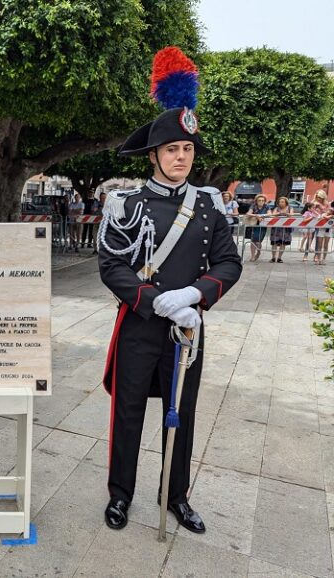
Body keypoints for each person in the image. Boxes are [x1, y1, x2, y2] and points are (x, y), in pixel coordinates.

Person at [98, 46, 242, 534]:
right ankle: (121, 495)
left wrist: (195, 296)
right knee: (128, 414)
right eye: (172, 150)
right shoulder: (126, 202)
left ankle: (176, 495)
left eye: (187, 150)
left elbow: (229, 261)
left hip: (187, 330)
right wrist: (149, 299)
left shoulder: (209, 206)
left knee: (181, 417)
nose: (181, 158)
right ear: (155, 155)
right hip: (139, 326)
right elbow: (111, 263)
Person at [245, 194, 270, 262]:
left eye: (262, 200)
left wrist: (262, 216)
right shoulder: (253, 206)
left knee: (258, 242)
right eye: (259, 200)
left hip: (262, 226)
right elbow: (248, 213)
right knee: (253, 241)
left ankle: (258, 252)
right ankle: (252, 256)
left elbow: (269, 214)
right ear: (256, 201)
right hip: (254, 225)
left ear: (264, 201)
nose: (261, 201)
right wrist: (256, 215)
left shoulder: (266, 206)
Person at [269, 196, 292, 263]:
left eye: (282, 202)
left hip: (285, 229)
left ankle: (279, 258)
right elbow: (273, 215)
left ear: (286, 203)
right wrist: (279, 213)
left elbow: (291, 215)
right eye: (279, 202)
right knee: (274, 243)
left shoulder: (290, 208)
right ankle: (273, 257)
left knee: (283, 243)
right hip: (276, 228)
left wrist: (286, 213)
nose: (281, 203)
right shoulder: (277, 208)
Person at [311, 190, 331, 265]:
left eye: (320, 197)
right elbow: (311, 210)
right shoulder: (314, 202)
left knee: (325, 244)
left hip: (326, 227)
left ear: (323, 197)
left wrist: (321, 207)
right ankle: (317, 257)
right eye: (317, 197)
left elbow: (329, 211)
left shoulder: (327, 203)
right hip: (316, 224)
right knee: (317, 242)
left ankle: (322, 259)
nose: (318, 199)